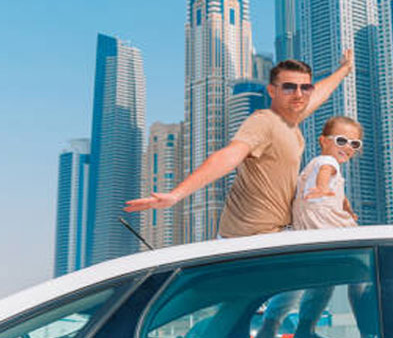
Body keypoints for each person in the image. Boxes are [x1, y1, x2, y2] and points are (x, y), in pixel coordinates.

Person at [124, 50, 354, 239]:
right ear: (272, 91)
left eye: (305, 87)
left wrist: (344, 69)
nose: (299, 94)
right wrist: (176, 195)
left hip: (275, 234)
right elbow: (230, 155)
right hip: (250, 239)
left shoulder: (290, 122)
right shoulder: (264, 122)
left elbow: (320, 94)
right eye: (289, 87)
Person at [256, 116, 363, 338]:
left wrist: (348, 208)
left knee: (309, 282)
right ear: (323, 141)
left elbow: (340, 196)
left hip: (308, 229)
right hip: (324, 227)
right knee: (347, 272)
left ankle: (272, 324)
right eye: (341, 140)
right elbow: (326, 172)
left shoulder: (313, 166)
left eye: (354, 144)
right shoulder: (327, 162)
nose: (348, 147)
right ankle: (307, 326)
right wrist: (322, 188)